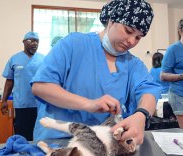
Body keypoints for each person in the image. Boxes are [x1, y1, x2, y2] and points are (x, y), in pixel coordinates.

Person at [31, 0, 161, 145]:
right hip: (60, 141)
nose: (131, 41)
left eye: (138, 37)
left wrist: (141, 115)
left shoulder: (133, 64)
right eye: (128, 31)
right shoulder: (74, 45)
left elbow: (148, 90)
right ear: (111, 21)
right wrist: (88, 104)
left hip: (105, 145)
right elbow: (40, 86)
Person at [1, 31, 45, 140]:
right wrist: (4, 100)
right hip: (22, 105)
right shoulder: (14, 59)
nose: (34, 43)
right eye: (31, 40)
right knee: (22, 135)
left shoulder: (43, 59)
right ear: (24, 42)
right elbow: (9, 81)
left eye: (37, 41)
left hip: (40, 105)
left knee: (39, 134)